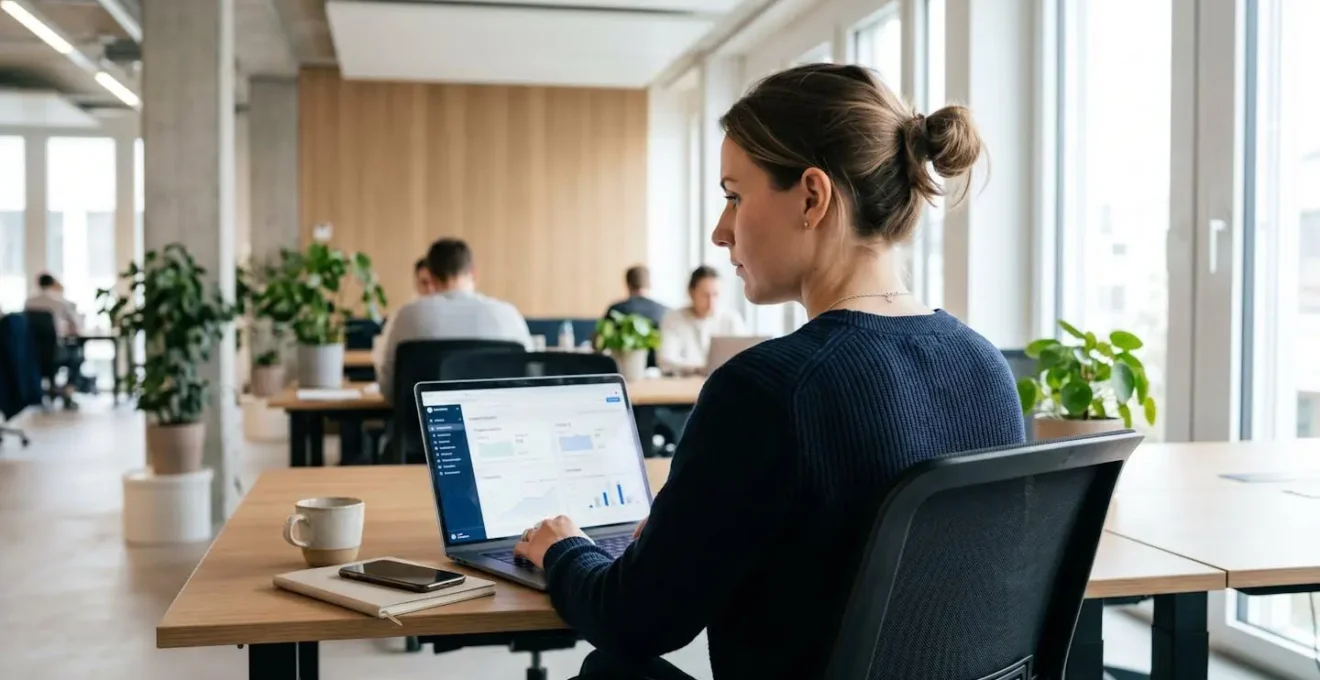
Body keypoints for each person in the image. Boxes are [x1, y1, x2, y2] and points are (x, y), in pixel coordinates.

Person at [513, 64, 1026, 679]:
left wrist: (564, 548)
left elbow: (636, 620)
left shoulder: (767, 389)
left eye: (734, 195)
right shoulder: (985, 366)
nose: (720, 230)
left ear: (812, 196)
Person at [375, 238, 531, 400]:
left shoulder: (405, 316)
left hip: (420, 423)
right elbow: (530, 378)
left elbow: (389, 388)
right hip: (496, 421)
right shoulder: (508, 315)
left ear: (430, 275)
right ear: (474, 273)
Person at [656, 266, 746, 375]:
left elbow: (744, 358)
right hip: (685, 385)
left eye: (715, 295)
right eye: (705, 295)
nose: (711, 302)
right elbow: (665, 361)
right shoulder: (674, 318)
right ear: (691, 293)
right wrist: (700, 369)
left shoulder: (731, 319)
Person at [603, 265, 668, 327]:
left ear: (628, 285)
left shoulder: (615, 310)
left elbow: (599, 336)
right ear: (650, 284)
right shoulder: (665, 312)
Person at [24, 273, 82, 338]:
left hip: (31, 341)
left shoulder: (29, 302)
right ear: (52, 284)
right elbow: (73, 324)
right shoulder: (59, 302)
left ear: (38, 284)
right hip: (54, 341)